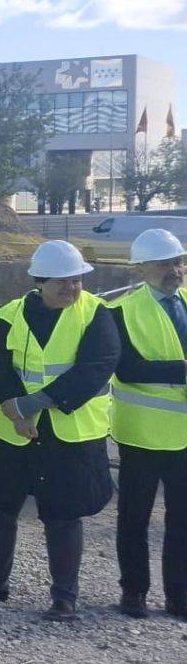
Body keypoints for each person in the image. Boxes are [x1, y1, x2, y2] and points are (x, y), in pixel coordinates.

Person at [0, 239, 117, 622]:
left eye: (77, 281)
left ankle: (64, 597)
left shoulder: (97, 314)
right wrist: (15, 409)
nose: (72, 288)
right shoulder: (11, 314)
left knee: (63, 512)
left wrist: (31, 405)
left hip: (69, 432)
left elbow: (96, 367)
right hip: (12, 429)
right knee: (0, 504)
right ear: (40, 282)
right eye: (62, 282)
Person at [109, 228, 187, 620]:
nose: (174, 270)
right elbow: (128, 367)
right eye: (164, 263)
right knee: (134, 517)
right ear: (142, 268)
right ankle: (134, 591)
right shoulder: (122, 311)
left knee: (183, 521)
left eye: (178, 261)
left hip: (185, 437)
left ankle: (180, 596)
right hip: (142, 432)